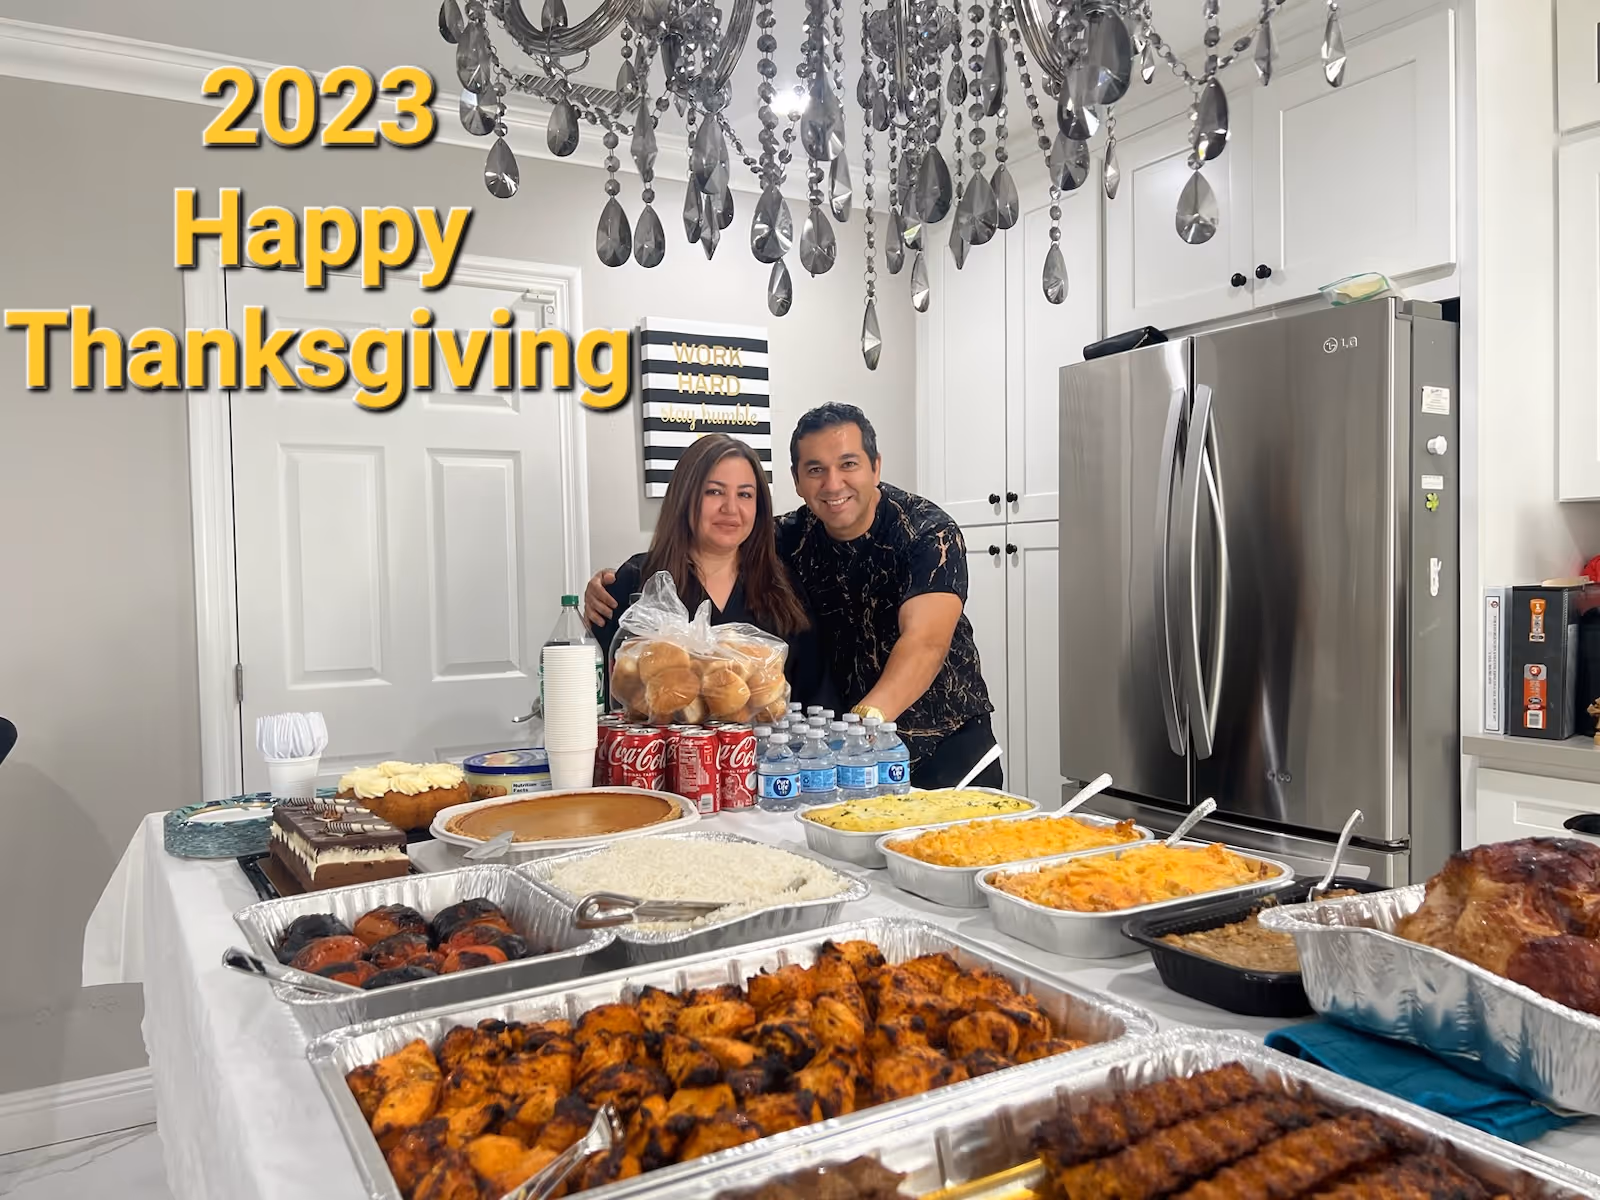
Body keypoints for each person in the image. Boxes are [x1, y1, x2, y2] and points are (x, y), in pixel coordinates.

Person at [587, 404, 997, 788]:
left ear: (875, 466)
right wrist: (603, 591)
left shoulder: (927, 533)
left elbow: (925, 642)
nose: (833, 484)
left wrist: (854, 731)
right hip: (777, 769)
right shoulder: (784, 542)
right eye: (815, 469)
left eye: (848, 464)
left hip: (942, 748)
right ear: (797, 480)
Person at [590, 432, 834, 710]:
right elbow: (598, 696)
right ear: (685, 496)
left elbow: (816, 702)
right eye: (714, 491)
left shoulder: (785, 589)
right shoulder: (636, 581)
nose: (731, 508)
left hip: (764, 752)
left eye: (744, 494)